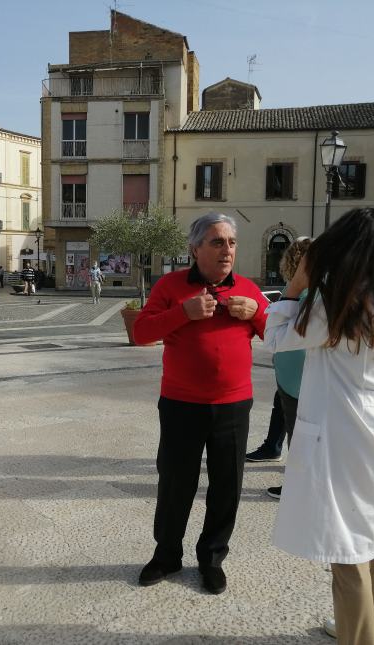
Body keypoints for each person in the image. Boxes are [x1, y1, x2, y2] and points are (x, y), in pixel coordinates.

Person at [263, 208, 374, 645]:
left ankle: (359, 638)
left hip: (343, 434)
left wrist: (297, 284)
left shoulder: (339, 306)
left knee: (346, 545)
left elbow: (277, 337)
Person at [133, 212, 269, 595]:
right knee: (176, 483)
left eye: (231, 242)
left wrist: (258, 312)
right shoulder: (171, 286)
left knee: (227, 486)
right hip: (180, 404)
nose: (227, 250)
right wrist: (182, 313)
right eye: (216, 242)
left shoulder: (248, 288)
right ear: (195, 249)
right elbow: (141, 332)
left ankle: (211, 558)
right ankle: (167, 555)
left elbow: (277, 334)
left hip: (233, 405)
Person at [262, 237, 311, 500]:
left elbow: (274, 337)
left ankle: (298, 485)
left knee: (298, 431)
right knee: (301, 431)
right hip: (300, 370)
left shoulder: (301, 293)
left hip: (294, 370)